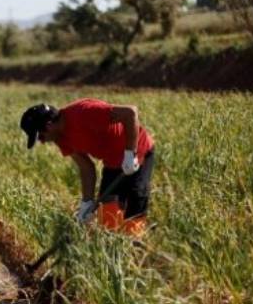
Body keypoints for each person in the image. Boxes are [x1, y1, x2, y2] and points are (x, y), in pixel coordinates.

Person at [20, 99, 155, 237]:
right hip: (112, 163)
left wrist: (130, 153)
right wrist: (87, 203)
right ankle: (113, 250)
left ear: (49, 126)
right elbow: (86, 168)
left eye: (40, 137)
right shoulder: (61, 138)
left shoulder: (84, 113)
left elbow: (130, 112)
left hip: (139, 152)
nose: (42, 142)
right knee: (108, 219)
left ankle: (135, 246)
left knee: (135, 203)